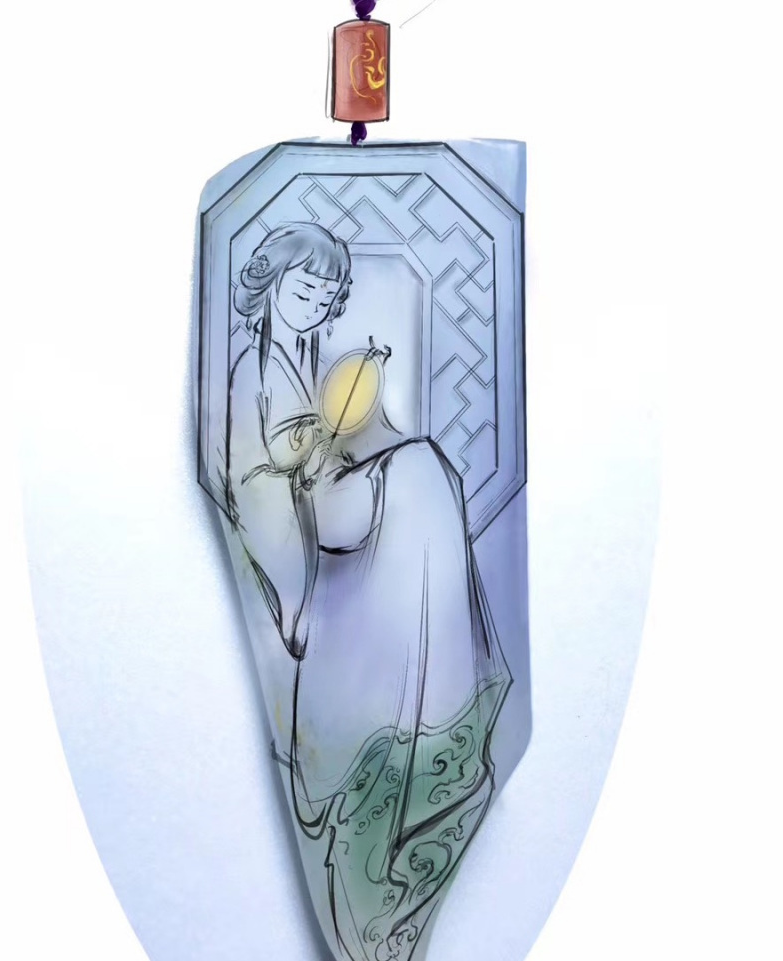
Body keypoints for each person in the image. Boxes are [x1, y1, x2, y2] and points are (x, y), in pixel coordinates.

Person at [226, 222, 511, 961]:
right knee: (416, 474)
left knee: (425, 473)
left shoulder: (308, 352)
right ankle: (423, 700)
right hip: (296, 522)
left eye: (326, 295)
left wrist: (353, 409)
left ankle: (434, 698)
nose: (316, 303)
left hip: (327, 496)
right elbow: (261, 467)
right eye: (304, 288)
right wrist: (325, 429)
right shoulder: (252, 368)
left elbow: (335, 436)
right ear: (271, 285)